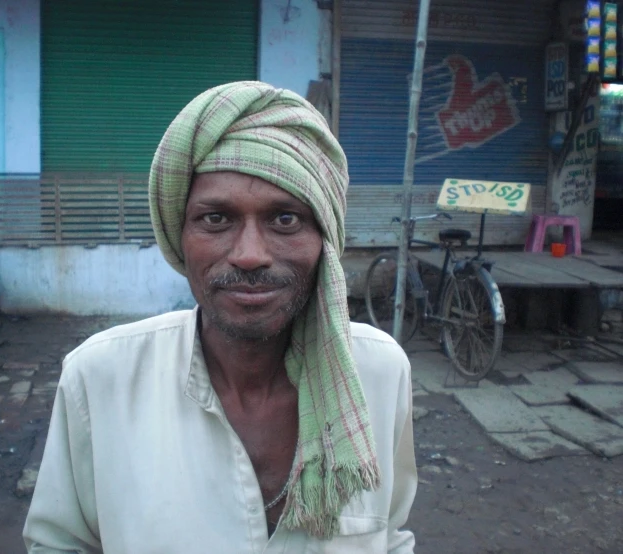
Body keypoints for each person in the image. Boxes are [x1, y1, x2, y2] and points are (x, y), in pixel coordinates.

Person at [23, 81, 417, 553]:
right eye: (216, 219)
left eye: (285, 219)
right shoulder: (100, 377)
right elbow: (59, 544)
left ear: (324, 240)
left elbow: (392, 538)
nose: (250, 256)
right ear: (179, 237)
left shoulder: (379, 371)